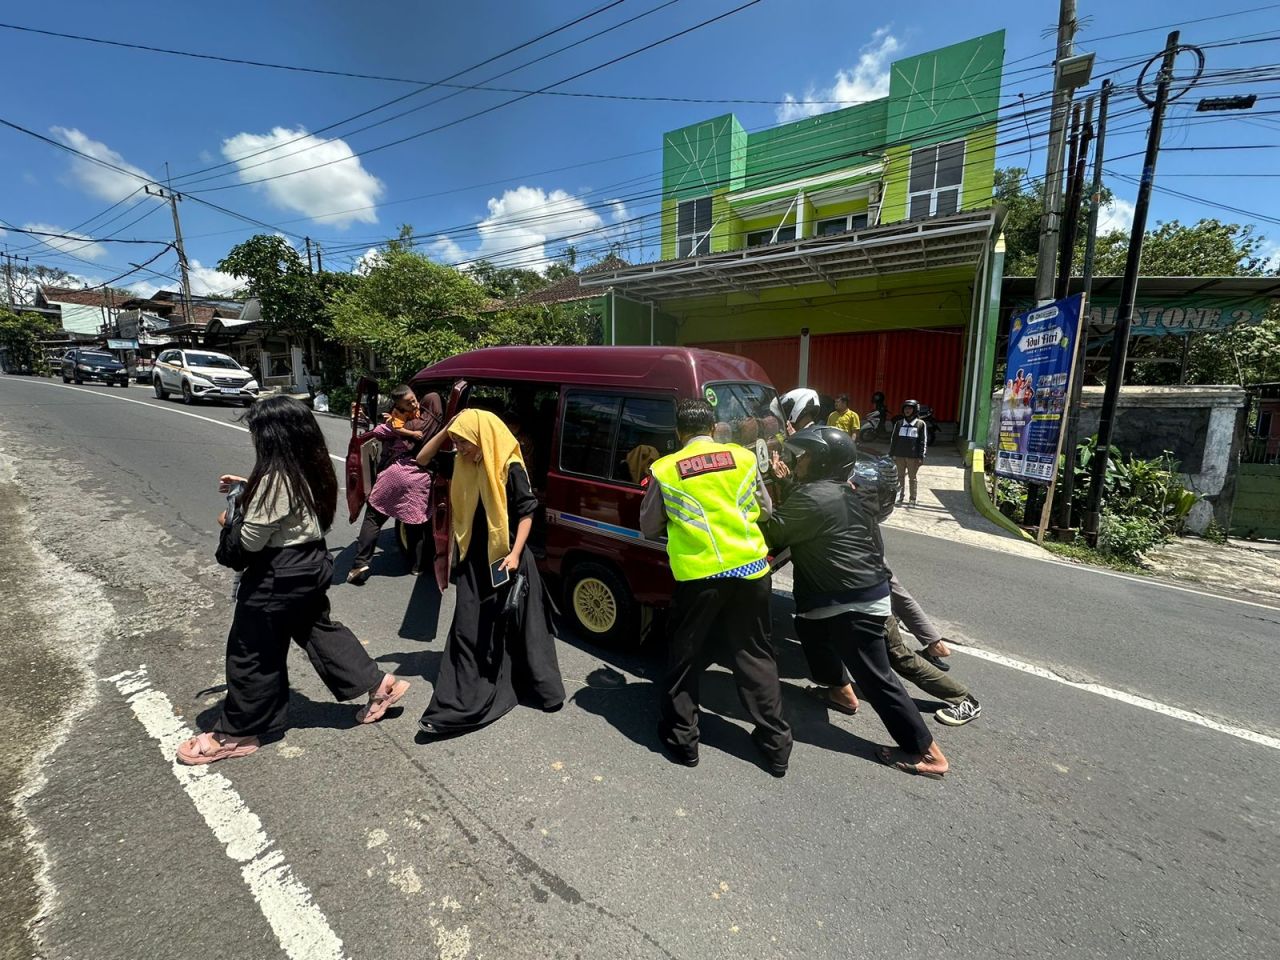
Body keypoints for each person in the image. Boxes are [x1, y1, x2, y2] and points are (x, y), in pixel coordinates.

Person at [178, 397, 411, 766]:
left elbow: (249, 542)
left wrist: (230, 521)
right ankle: (380, 685)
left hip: (279, 572)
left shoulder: (275, 478)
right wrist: (248, 487)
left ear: (274, 437)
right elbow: (291, 505)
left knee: (252, 650)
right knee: (317, 630)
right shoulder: (310, 464)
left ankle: (236, 734)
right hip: (310, 562)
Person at [762, 425, 949, 778]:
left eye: (804, 457)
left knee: (877, 678)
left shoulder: (813, 497)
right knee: (810, 626)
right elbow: (814, 512)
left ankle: (926, 752)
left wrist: (752, 501)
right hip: (850, 593)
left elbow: (774, 531)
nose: (797, 462)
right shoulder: (839, 491)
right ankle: (841, 694)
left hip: (852, 600)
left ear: (821, 463)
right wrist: (788, 485)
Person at [640, 398, 792, 776]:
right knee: (755, 655)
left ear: (679, 433)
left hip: (700, 578)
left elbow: (648, 527)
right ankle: (776, 747)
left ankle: (683, 741)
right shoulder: (741, 458)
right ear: (712, 429)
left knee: (685, 657)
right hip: (753, 570)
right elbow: (766, 510)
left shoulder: (665, 468)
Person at [414, 408, 564, 734]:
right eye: (458, 444)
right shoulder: (463, 463)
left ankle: (536, 688)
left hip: (505, 557)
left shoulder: (509, 465)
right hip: (473, 559)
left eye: (465, 443)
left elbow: (527, 511)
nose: (461, 449)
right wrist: (448, 430)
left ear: (483, 437)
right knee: (468, 626)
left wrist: (515, 553)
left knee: (523, 628)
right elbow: (423, 459)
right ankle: (459, 704)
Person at [348, 386, 443, 583]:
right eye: (409, 402)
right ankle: (417, 567)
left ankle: (361, 563)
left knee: (374, 518)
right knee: (414, 524)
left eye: (414, 400)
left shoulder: (402, 424)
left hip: (396, 474)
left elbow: (378, 432)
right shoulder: (436, 423)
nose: (415, 404)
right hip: (421, 480)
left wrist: (386, 424)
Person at [889, 399, 928, 506]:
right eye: (905, 408)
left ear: (915, 410)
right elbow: (894, 440)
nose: (907, 410)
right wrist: (891, 454)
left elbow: (922, 441)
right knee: (900, 477)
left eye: (910, 408)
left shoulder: (920, 424)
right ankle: (899, 497)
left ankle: (912, 499)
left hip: (913, 457)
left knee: (912, 478)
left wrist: (921, 456)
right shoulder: (899, 423)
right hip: (899, 455)